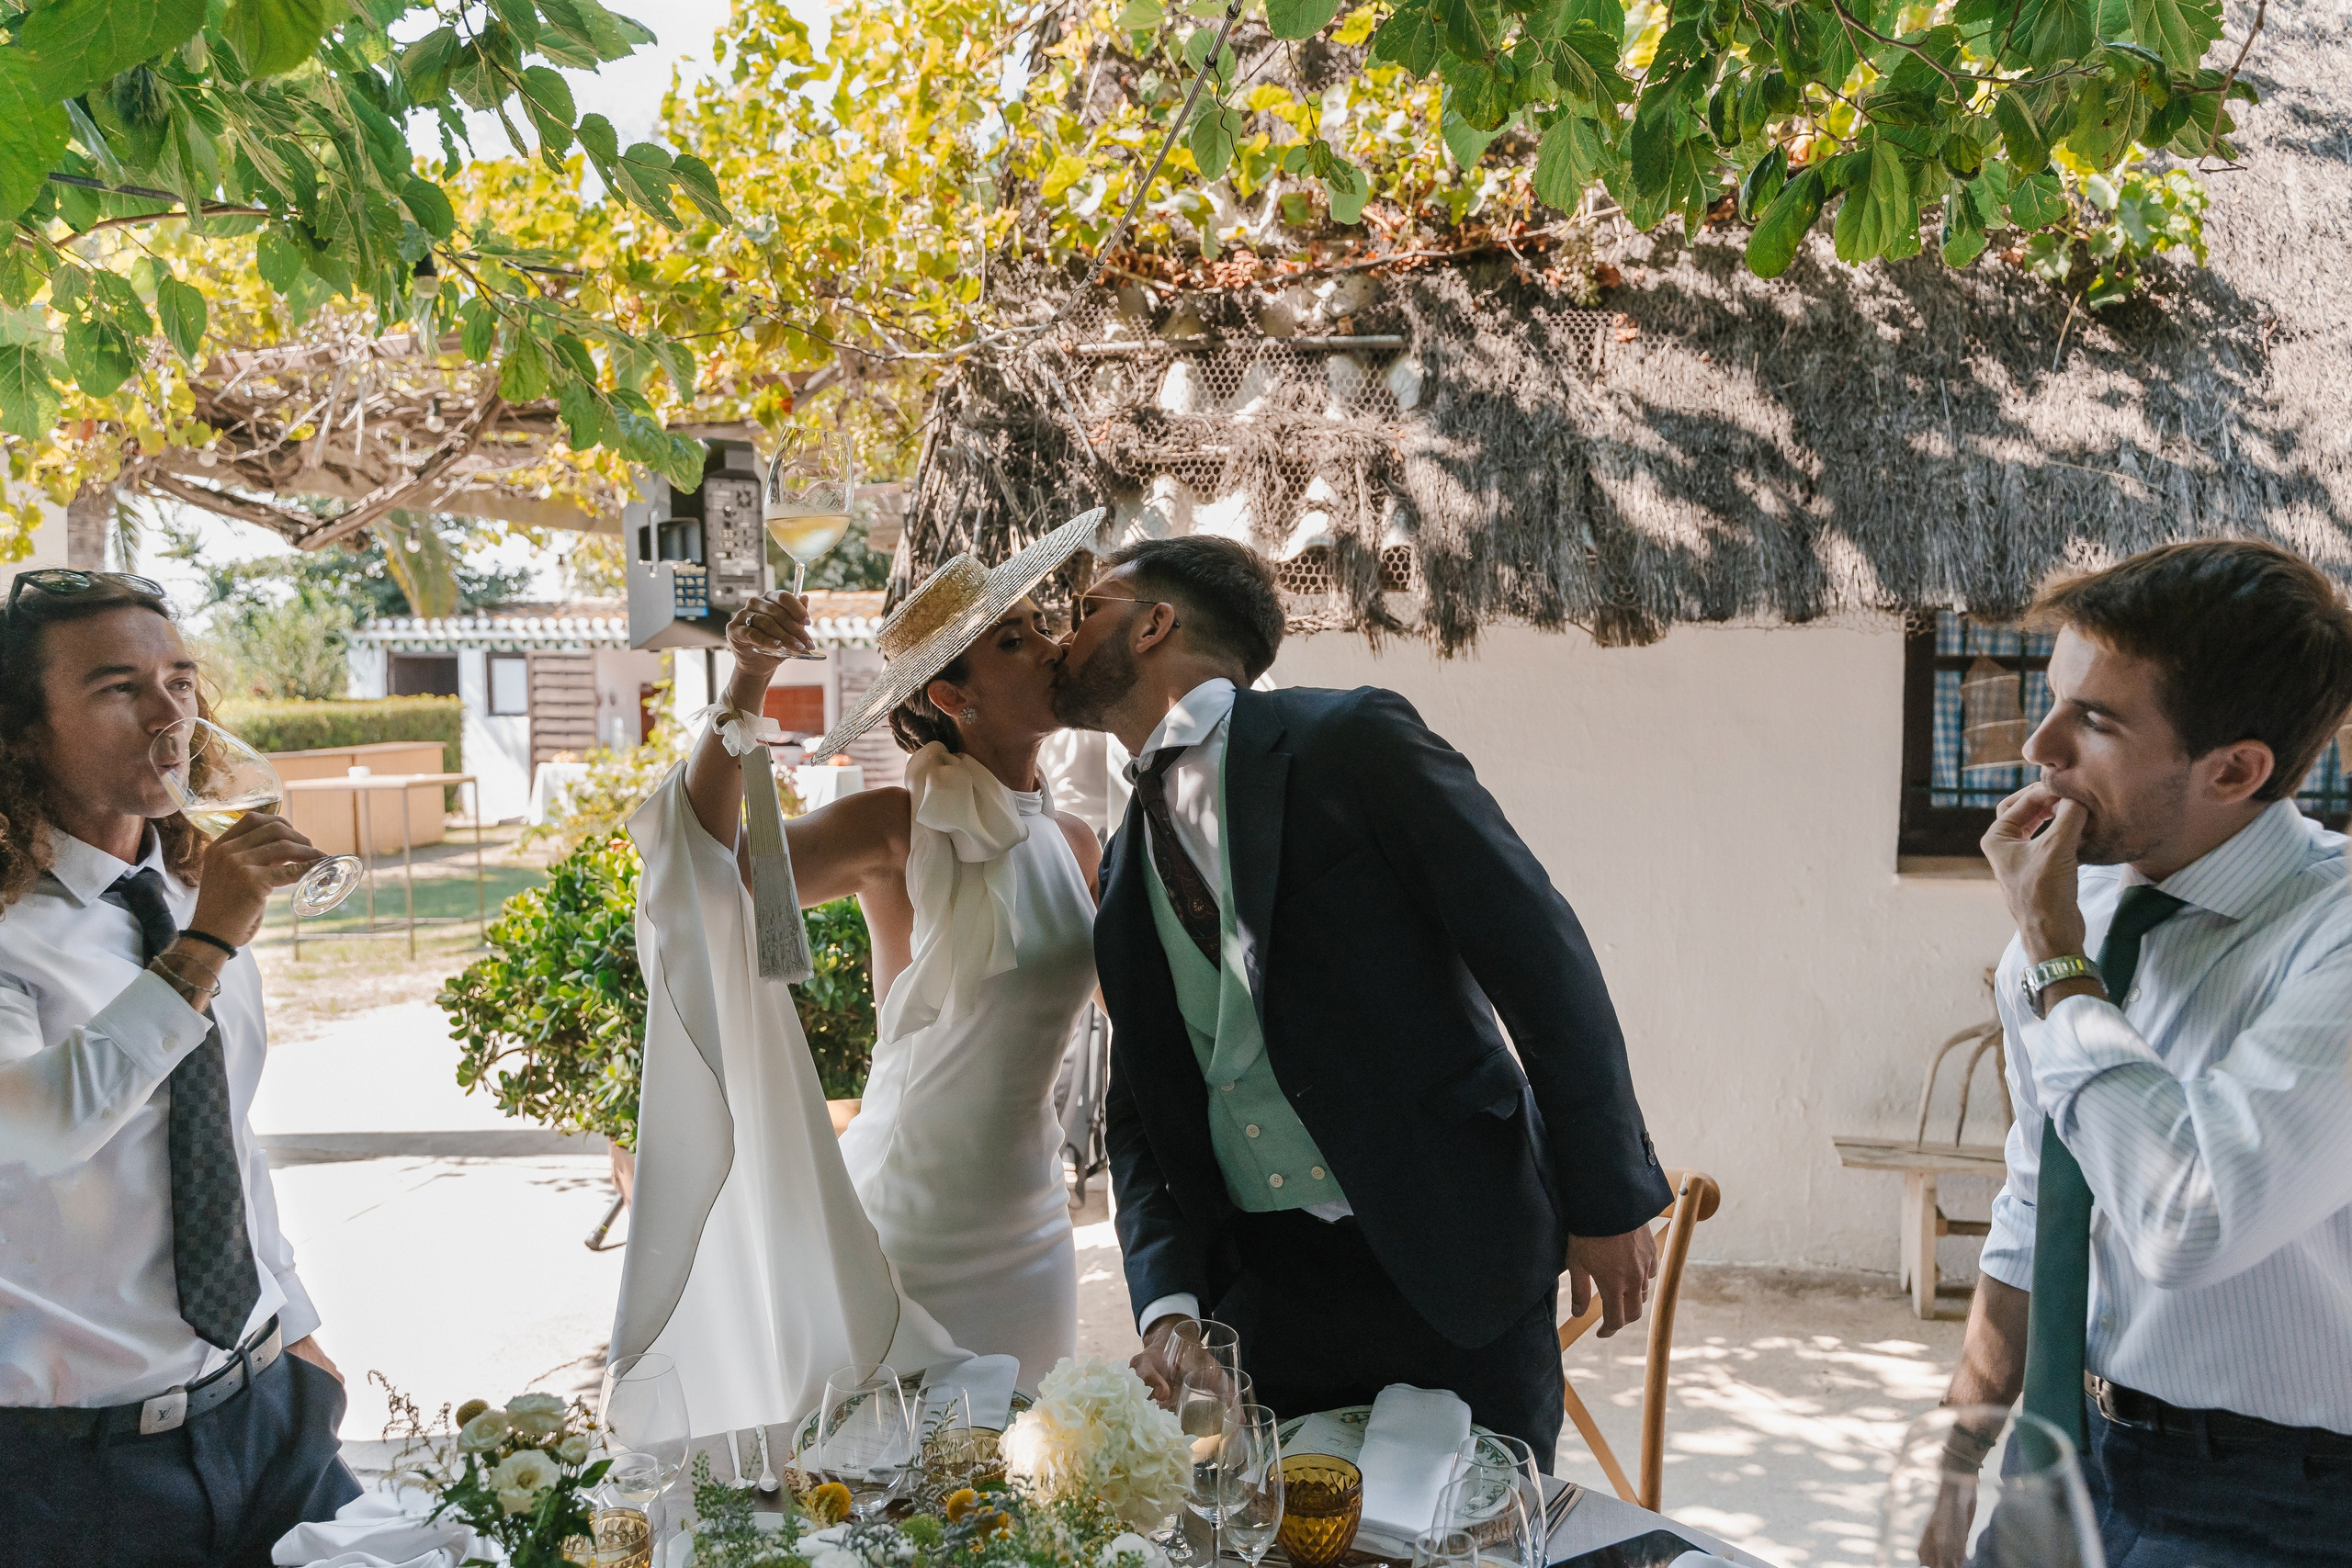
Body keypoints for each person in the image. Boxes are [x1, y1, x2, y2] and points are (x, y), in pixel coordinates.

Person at [1053, 535, 1670, 1460]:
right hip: (1265, 1295)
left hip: (1454, 1252)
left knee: (1482, 1540)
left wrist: (1608, 1197)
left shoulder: (1348, 741)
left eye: (1087, 606)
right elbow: (1144, 1109)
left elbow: (1539, 958)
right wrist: (1170, 1305)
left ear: (1153, 624)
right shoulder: (1121, 865)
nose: (1064, 633)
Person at [1930, 541, 2352, 1568]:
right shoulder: (2072, 915)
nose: (2038, 745)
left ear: (2236, 769)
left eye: (2096, 722)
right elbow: (2040, 1205)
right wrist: (1959, 1454)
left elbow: (2189, 1221)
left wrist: (2058, 968)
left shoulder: (2331, 936)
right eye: (2051, 697)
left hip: (2275, 1505)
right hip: (2070, 1456)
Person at [672, 520, 1103, 1388]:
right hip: (910, 1231)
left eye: (1041, 625)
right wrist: (750, 677)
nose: (1050, 647)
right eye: (1012, 641)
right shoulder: (895, 827)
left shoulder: (1080, 842)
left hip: (1034, 1228)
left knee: (1034, 1485)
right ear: (953, 697)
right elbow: (709, 861)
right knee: (894, 1492)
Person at [0, 570, 358, 1567]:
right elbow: (36, 1133)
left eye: (183, 680)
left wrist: (292, 1326)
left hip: (266, 1411)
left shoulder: (180, 892)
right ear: (24, 730)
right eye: (120, 688)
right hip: (71, 1475)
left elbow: (222, 1137)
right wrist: (204, 947)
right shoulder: (18, 933)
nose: (171, 715)